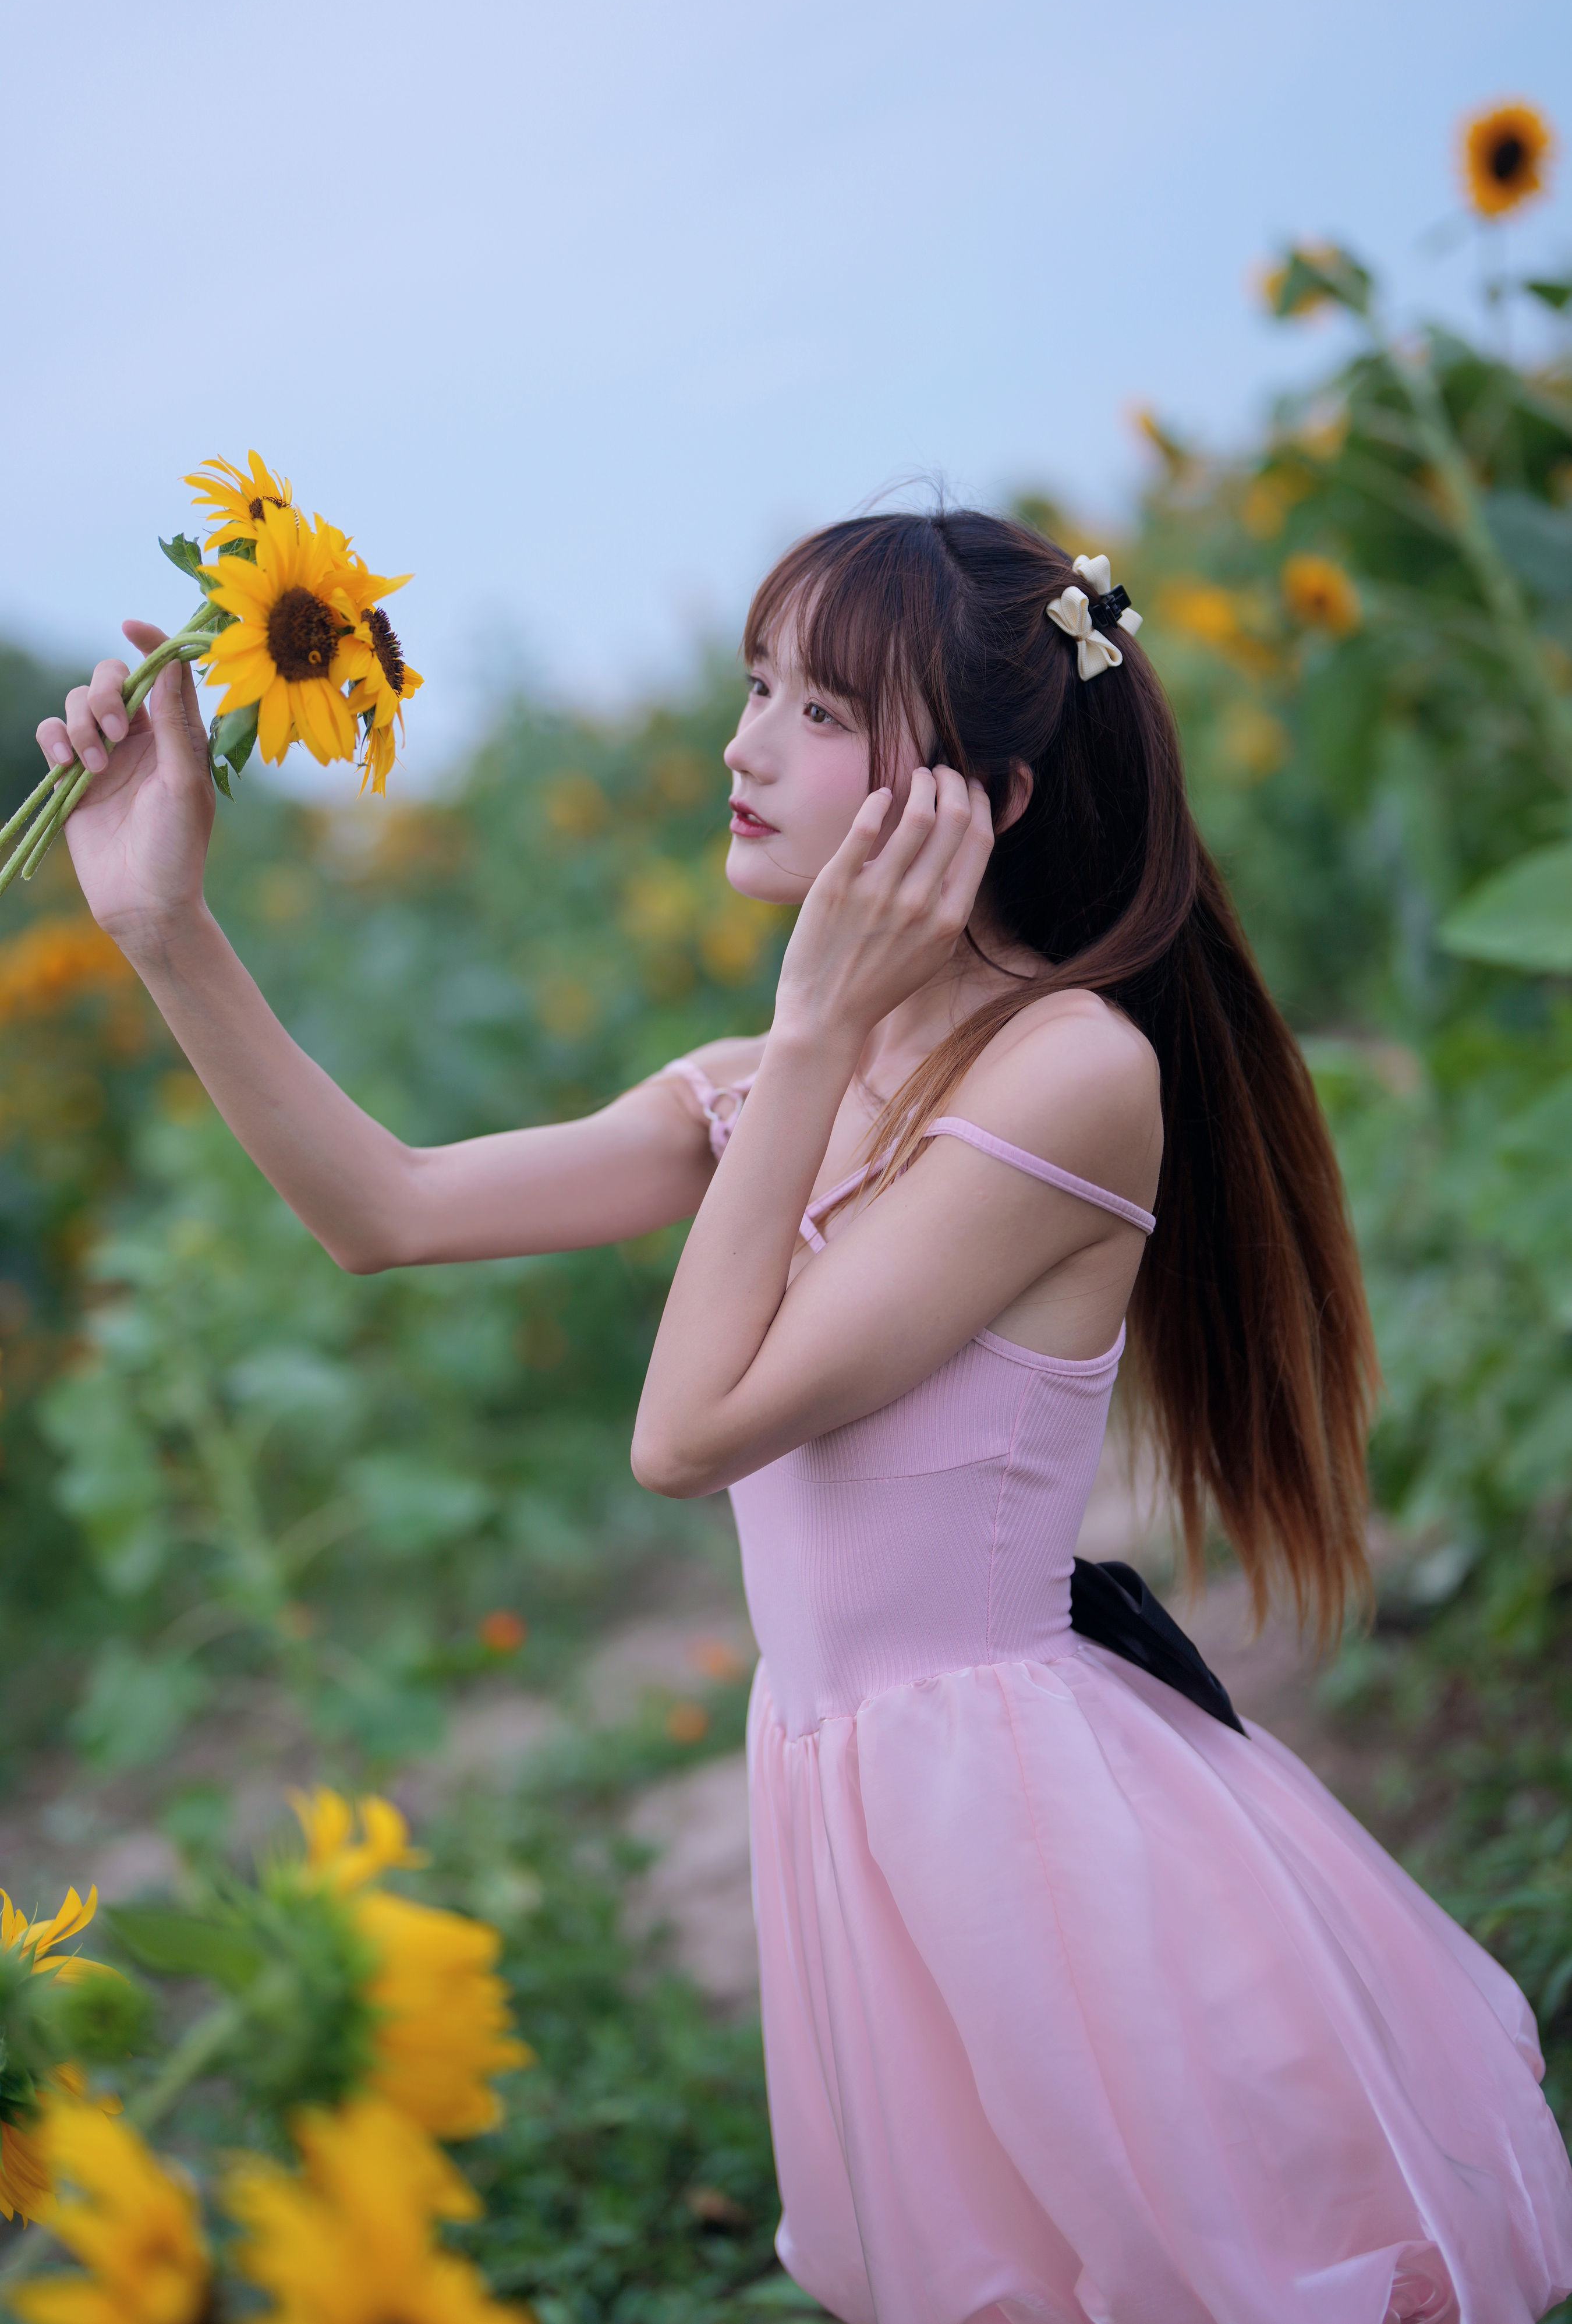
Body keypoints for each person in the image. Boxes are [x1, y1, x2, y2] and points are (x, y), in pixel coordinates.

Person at [41, 509, 1572, 2323]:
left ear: (976, 801)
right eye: (755, 685)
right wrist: (163, 924)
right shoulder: (769, 1081)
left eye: (820, 708)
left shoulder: (1072, 1071)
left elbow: (689, 1430)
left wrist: (815, 1034)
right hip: (857, 1795)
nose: (742, 745)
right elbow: (385, 1211)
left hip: (1014, 1811)